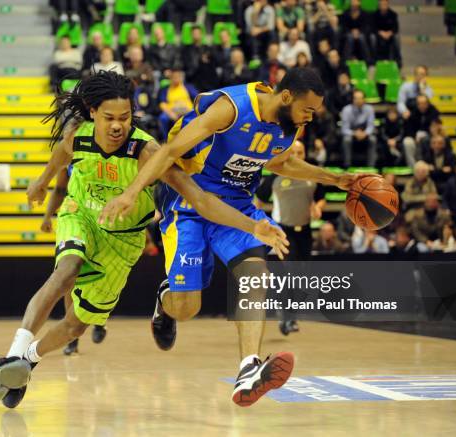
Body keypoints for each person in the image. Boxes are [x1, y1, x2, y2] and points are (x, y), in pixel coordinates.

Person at [0, 71, 290, 409]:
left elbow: (200, 201)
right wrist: (41, 183)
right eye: (110, 117)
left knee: (74, 327)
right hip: (81, 214)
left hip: (124, 240)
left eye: (125, 117)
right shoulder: (77, 137)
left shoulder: (146, 151)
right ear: (92, 111)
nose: (118, 125)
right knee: (65, 271)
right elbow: (58, 160)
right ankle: (12, 352)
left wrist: (251, 226)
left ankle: (25, 361)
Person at [99, 68, 368, 406]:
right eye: (308, 110)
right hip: (189, 203)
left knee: (255, 272)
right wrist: (131, 193)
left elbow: (280, 164)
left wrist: (335, 179)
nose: (310, 119)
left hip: (236, 207)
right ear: (286, 97)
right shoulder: (233, 108)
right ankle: (166, 300)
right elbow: (168, 152)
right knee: (186, 308)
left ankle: (248, 368)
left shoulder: (290, 125)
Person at [254, 140, 326, 335]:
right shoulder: (276, 176)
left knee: (302, 276)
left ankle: (288, 314)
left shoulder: (311, 174)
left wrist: (318, 207)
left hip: (305, 231)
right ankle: (288, 318)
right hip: (284, 231)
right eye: (293, 152)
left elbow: (321, 196)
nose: (297, 156)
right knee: (292, 272)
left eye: (300, 152)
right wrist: (257, 223)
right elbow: (258, 199)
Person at [40, 165, 107, 355]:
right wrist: (47, 217)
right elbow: (60, 189)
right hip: (76, 220)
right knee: (70, 279)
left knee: (100, 279)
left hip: (102, 220)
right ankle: (72, 339)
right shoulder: (69, 151)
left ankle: (99, 319)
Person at [340, 89, 377, 167]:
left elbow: (371, 126)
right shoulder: (346, 110)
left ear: (364, 100)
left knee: (373, 139)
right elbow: (344, 129)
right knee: (346, 140)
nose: (358, 100)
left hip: (365, 134)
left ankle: (371, 167)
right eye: (356, 98)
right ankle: (347, 166)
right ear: (353, 99)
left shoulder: (369, 109)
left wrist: (365, 133)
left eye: (360, 98)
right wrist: (355, 133)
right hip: (352, 134)